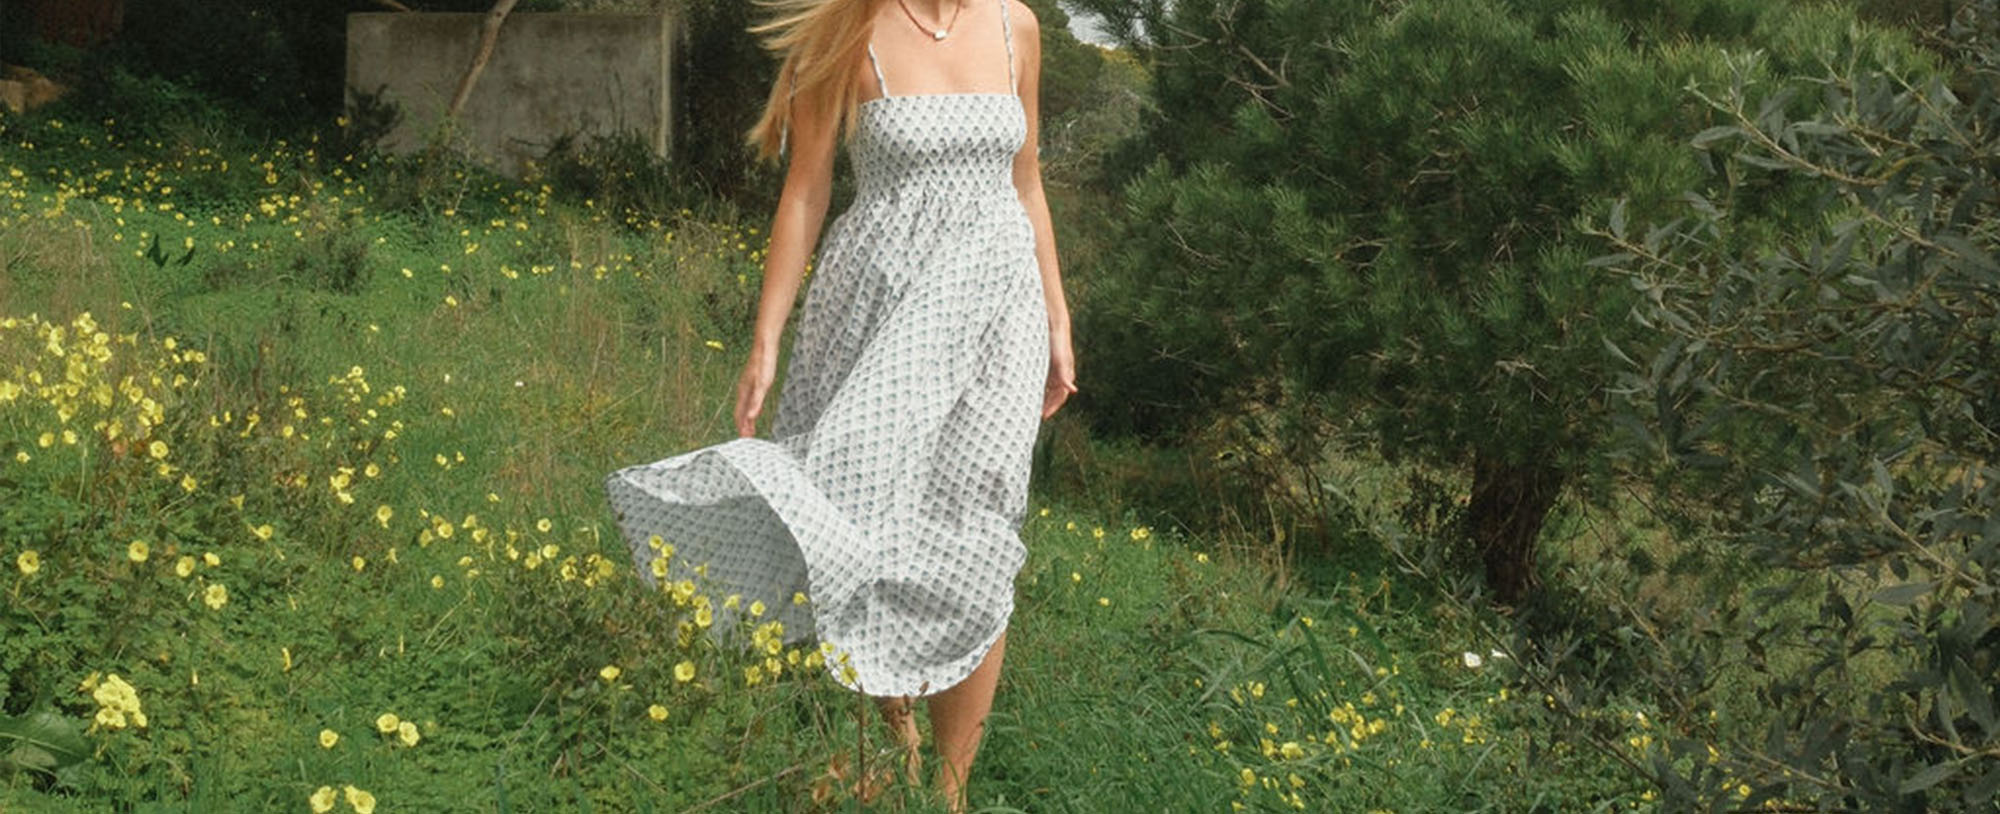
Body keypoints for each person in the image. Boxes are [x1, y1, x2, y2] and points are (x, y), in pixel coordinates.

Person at [602, 0, 1075, 809]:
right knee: (865, 511)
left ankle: (948, 792)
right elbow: (807, 191)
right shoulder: (846, 32)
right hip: (884, 305)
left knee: (983, 525)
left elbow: (1024, 180)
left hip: (1000, 309)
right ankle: (891, 721)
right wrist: (764, 338)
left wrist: (1059, 320)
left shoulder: (1016, 26)